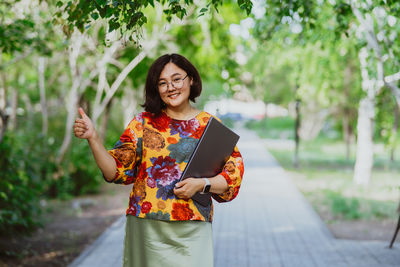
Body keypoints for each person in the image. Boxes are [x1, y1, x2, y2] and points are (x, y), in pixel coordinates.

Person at [73, 53, 244, 267]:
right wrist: (94, 138)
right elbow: (114, 171)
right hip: (147, 227)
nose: (170, 87)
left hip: (192, 227)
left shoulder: (209, 125)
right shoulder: (142, 123)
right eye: (162, 83)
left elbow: (232, 175)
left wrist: (202, 184)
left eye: (176, 79)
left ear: (191, 79)